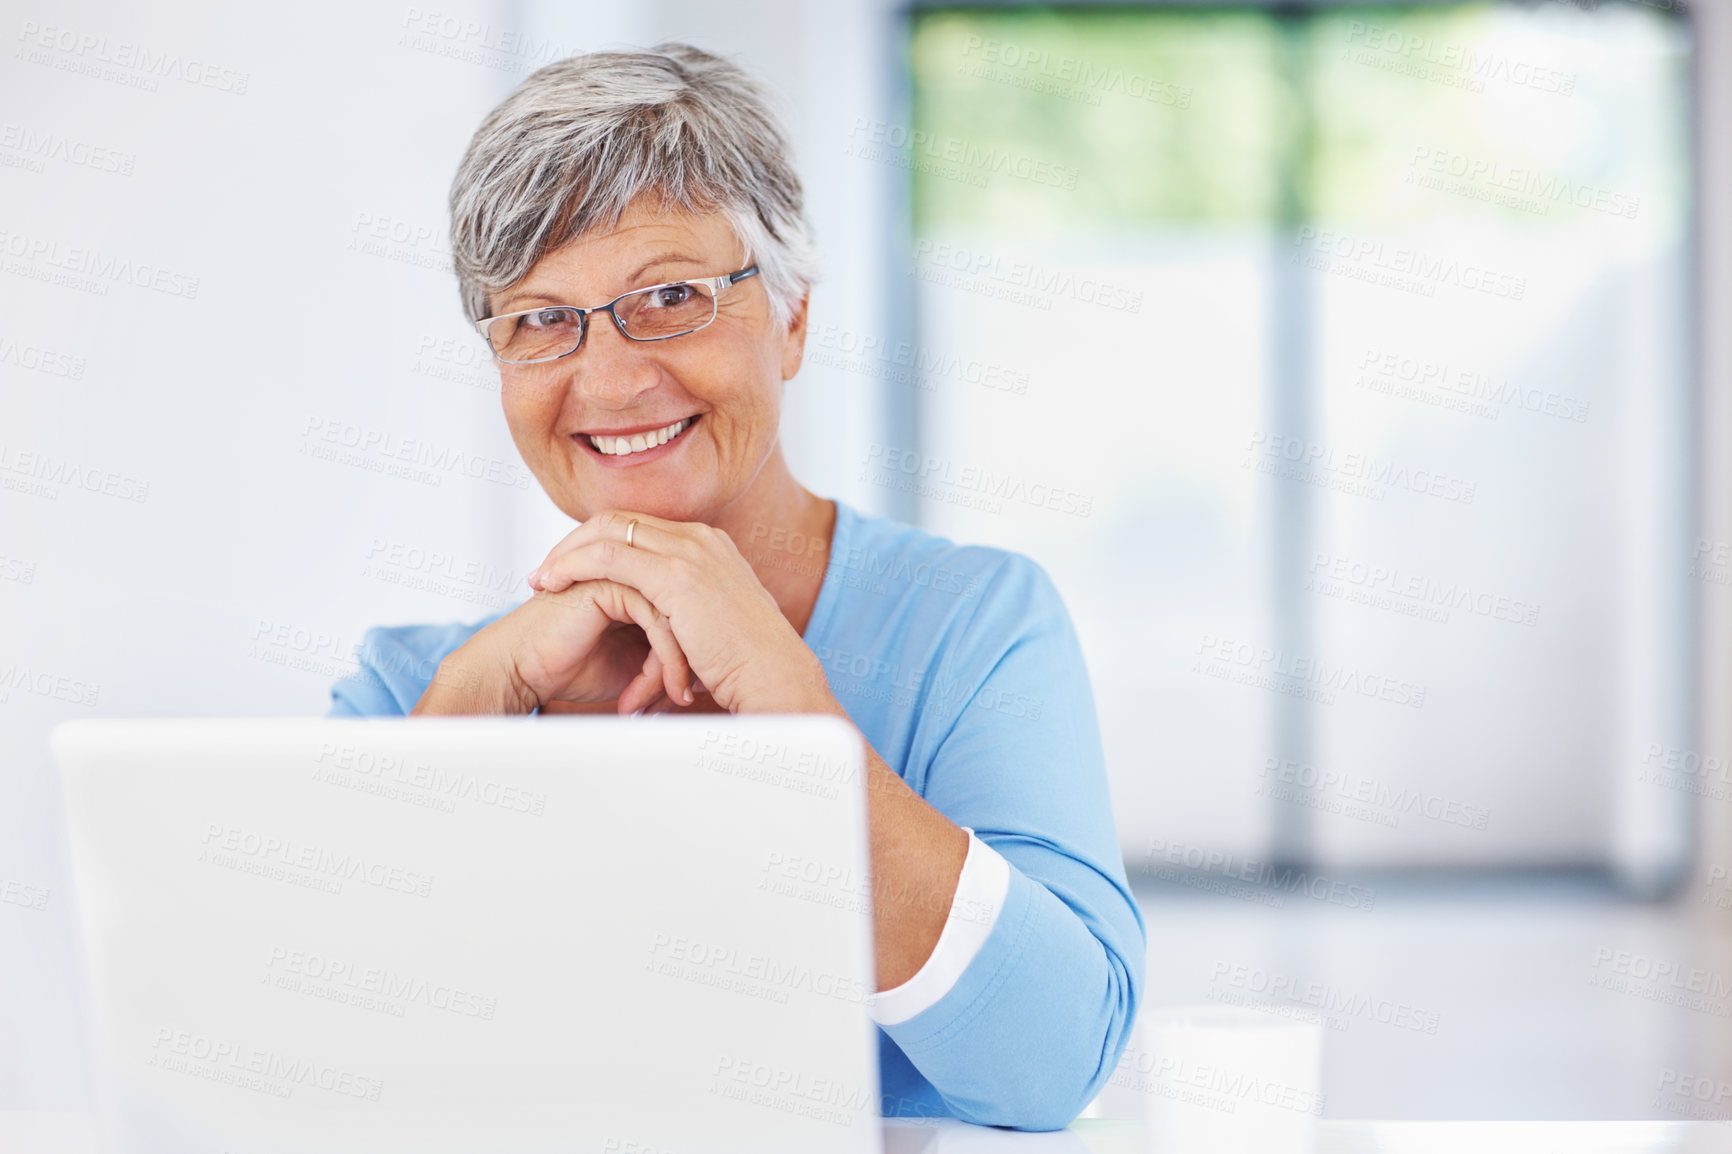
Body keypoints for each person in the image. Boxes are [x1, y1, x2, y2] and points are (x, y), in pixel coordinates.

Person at [328, 43, 1143, 1129]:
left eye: (670, 295)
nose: (610, 378)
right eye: (539, 317)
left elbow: (1051, 1061)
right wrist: (478, 696)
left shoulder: (972, 627)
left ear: (793, 316)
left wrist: (790, 705)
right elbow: (323, 1073)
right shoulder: (412, 688)